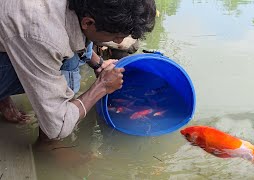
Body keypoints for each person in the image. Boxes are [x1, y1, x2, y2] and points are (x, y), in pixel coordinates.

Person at [0, 0, 156, 141]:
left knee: (69, 54)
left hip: (12, 29)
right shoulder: (44, 35)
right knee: (68, 70)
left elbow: (77, 31)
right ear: (88, 22)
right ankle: (46, 145)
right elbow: (57, 127)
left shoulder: (80, 8)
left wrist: (98, 64)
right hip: (27, 33)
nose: (119, 42)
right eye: (116, 36)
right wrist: (102, 86)